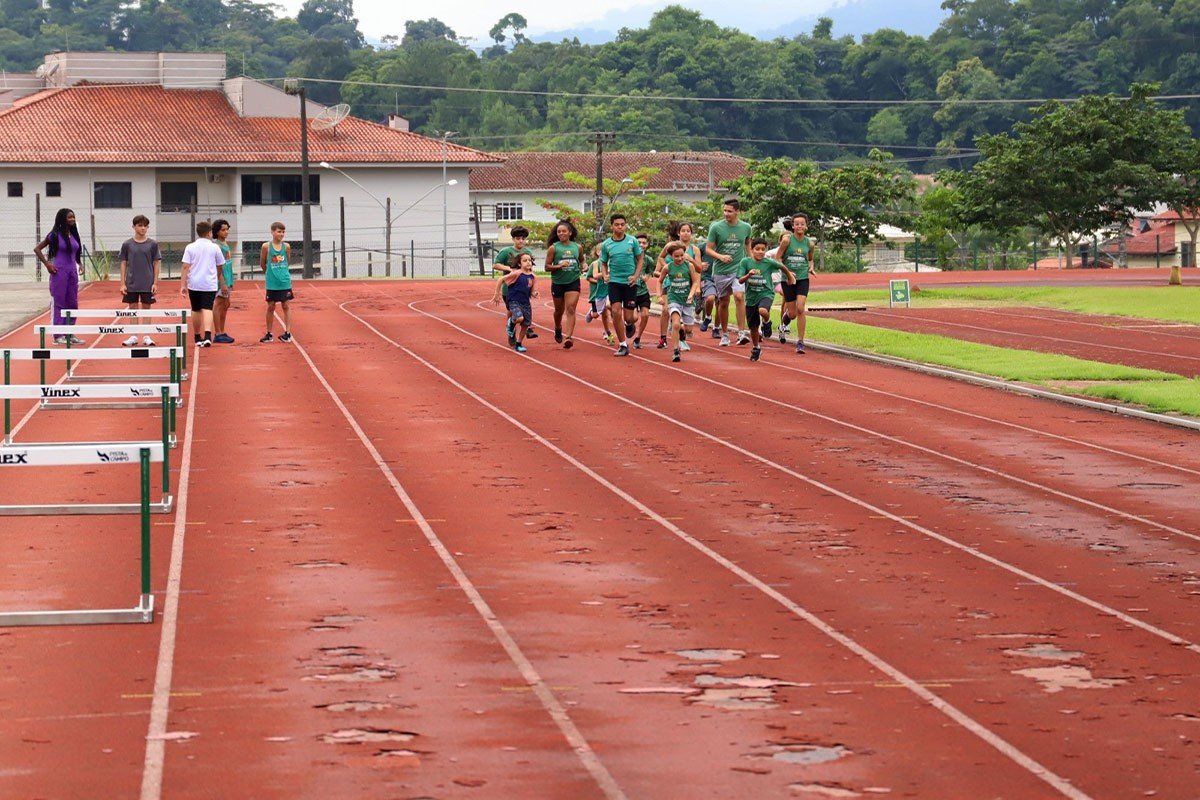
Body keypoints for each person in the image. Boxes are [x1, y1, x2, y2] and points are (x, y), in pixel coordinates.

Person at [737, 237, 795, 362]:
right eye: (757, 249)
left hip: (766, 293)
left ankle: (767, 322)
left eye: (763, 249)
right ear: (752, 250)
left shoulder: (768, 262)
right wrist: (748, 275)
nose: (760, 252)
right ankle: (756, 347)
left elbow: (782, 267)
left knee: (763, 311)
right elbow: (740, 280)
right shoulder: (745, 262)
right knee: (753, 327)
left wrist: (790, 276)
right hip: (751, 297)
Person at [33, 208, 85, 345]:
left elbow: (76, 252)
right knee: (59, 302)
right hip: (59, 272)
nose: (72, 220)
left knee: (72, 303)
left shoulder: (74, 235)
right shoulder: (54, 235)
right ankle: (58, 335)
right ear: (62, 219)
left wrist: (80, 264)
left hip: (72, 272)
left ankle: (69, 333)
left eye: (73, 217)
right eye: (69, 218)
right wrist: (47, 264)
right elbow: (37, 249)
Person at [706, 199, 753, 347]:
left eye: (730, 211)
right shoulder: (716, 228)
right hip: (721, 270)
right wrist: (721, 257)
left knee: (739, 297)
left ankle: (741, 332)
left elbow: (747, 244)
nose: (726, 214)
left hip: (738, 269)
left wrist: (752, 261)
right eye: (725, 211)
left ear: (737, 212)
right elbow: (708, 249)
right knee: (724, 302)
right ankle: (725, 333)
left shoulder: (746, 227)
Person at [599, 213, 644, 357]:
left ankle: (629, 324)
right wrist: (605, 274)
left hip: (630, 283)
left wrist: (636, 276)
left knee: (629, 317)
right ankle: (623, 345)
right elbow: (604, 263)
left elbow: (640, 259)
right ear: (612, 226)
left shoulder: (632, 241)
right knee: (616, 311)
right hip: (614, 282)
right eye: (617, 225)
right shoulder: (607, 244)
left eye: (622, 224)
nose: (620, 227)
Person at [654, 221, 704, 349]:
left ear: (691, 234)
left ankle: (679, 329)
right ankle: (663, 338)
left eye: (688, 231)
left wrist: (690, 259)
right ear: (678, 233)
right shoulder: (670, 246)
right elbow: (660, 257)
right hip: (670, 282)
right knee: (665, 310)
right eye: (683, 231)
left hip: (686, 285)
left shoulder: (695, 250)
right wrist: (666, 267)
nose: (685, 233)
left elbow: (698, 269)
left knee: (685, 324)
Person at [117, 215, 161, 346]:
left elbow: (156, 263)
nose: (143, 228)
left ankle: (147, 335)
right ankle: (133, 335)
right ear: (134, 227)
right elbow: (123, 263)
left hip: (147, 282)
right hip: (131, 282)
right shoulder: (127, 244)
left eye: (145, 226)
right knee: (133, 308)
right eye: (140, 225)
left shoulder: (153, 244)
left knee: (147, 308)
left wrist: (155, 282)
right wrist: (122, 284)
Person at [775, 213, 816, 354]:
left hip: (803, 278)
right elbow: (777, 258)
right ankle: (783, 325)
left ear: (806, 226)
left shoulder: (809, 243)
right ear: (792, 226)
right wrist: (787, 273)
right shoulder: (787, 241)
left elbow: (810, 258)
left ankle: (800, 342)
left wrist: (811, 266)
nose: (799, 226)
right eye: (797, 224)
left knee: (800, 308)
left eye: (802, 224)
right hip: (788, 280)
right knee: (792, 313)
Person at [180, 220, 224, 347]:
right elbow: (220, 265)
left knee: (196, 309)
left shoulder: (190, 247)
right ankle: (208, 335)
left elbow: (185, 267)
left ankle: (197, 336)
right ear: (210, 233)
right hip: (209, 283)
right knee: (207, 308)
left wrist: (183, 285)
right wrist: (216, 276)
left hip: (194, 283)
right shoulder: (215, 247)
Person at [492, 226, 537, 342]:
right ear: (513, 239)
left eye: (523, 238)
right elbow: (495, 264)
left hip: (523, 287)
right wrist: (509, 268)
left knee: (525, 307)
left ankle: (528, 328)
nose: (521, 241)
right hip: (509, 288)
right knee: (512, 311)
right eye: (518, 238)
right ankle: (511, 332)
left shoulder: (528, 252)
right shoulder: (506, 252)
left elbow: (531, 269)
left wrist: (532, 287)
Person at [545, 220, 583, 349]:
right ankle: (557, 327)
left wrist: (584, 266)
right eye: (559, 232)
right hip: (558, 282)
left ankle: (568, 337)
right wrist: (559, 265)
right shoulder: (553, 248)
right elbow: (546, 267)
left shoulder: (577, 247)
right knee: (558, 311)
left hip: (573, 281)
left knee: (571, 308)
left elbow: (582, 261)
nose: (561, 233)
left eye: (564, 231)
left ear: (570, 233)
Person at [661, 242, 700, 363]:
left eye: (681, 255)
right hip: (674, 298)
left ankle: (681, 330)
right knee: (676, 324)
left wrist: (691, 295)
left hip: (687, 300)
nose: (679, 258)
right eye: (676, 256)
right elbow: (659, 281)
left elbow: (694, 282)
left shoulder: (689, 266)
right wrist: (659, 296)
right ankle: (676, 350)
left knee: (688, 330)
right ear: (671, 256)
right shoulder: (668, 267)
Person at [258, 221, 294, 343]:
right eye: (279, 231)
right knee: (271, 306)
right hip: (272, 282)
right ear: (272, 232)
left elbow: (287, 262)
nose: (281, 234)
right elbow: (262, 263)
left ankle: (287, 333)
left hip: (284, 281)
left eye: (283, 232)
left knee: (286, 305)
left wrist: (282, 272)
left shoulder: (286, 247)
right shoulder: (266, 247)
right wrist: (269, 273)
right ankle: (269, 333)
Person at [503, 251, 538, 353]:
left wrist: (534, 293)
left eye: (529, 260)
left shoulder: (533, 277)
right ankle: (510, 323)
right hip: (514, 301)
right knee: (519, 318)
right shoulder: (516, 273)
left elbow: (532, 290)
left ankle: (518, 344)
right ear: (519, 264)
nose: (528, 262)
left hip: (525, 303)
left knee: (525, 325)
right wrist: (496, 294)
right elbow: (501, 280)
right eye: (525, 260)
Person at [583, 246, 615, 344]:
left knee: (610, 306)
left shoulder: (612, 263)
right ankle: (592, 312)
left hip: (610, 290)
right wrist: (604, 275)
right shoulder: (596, 263)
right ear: (597, 252)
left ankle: (608, 332)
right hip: (598, 292)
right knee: (598, 315)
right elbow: (591, 277)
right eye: (600, 250)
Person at [211, 218, 235, 344]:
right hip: (221, 279)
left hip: (228, 277)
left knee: (226, 304)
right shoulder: (216, 246)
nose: (226, 232)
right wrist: (223, 282)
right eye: (223, 230)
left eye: (227, 229)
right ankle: (218, 333)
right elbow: (217, 266)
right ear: (217, 231)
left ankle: (222, 331)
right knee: (219, 303)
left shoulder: (225, 243)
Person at [632, 233, 654, 349]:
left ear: (647, 245)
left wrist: (647, 277)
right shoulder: (630, 258)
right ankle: (629, 324)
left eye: (644, 243)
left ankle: (638, 338)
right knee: (634, 318)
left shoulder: (648, 260)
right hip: (631, 291)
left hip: (643, 291)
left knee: (645, 314)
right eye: (639, 242)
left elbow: (651, 271)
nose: (641, 245)